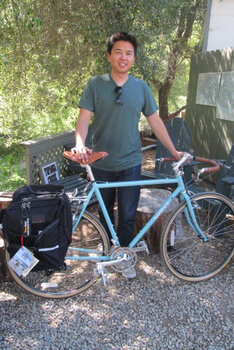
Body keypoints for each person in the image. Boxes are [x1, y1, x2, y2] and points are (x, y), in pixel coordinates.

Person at [71, 32, 183, 278]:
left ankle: (123, 257)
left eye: (129, 53)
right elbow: (83, 120)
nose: (123, 57)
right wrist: (80, 144)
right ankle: (109, 250)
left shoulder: (141, 87)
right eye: (118, 51)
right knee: (105, 212)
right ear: (109, 55)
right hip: (102, 162)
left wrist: (173, 151)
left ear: (134, 59)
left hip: (131, 161)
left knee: (128, 214)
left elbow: (155, 121)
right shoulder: (95, 84)